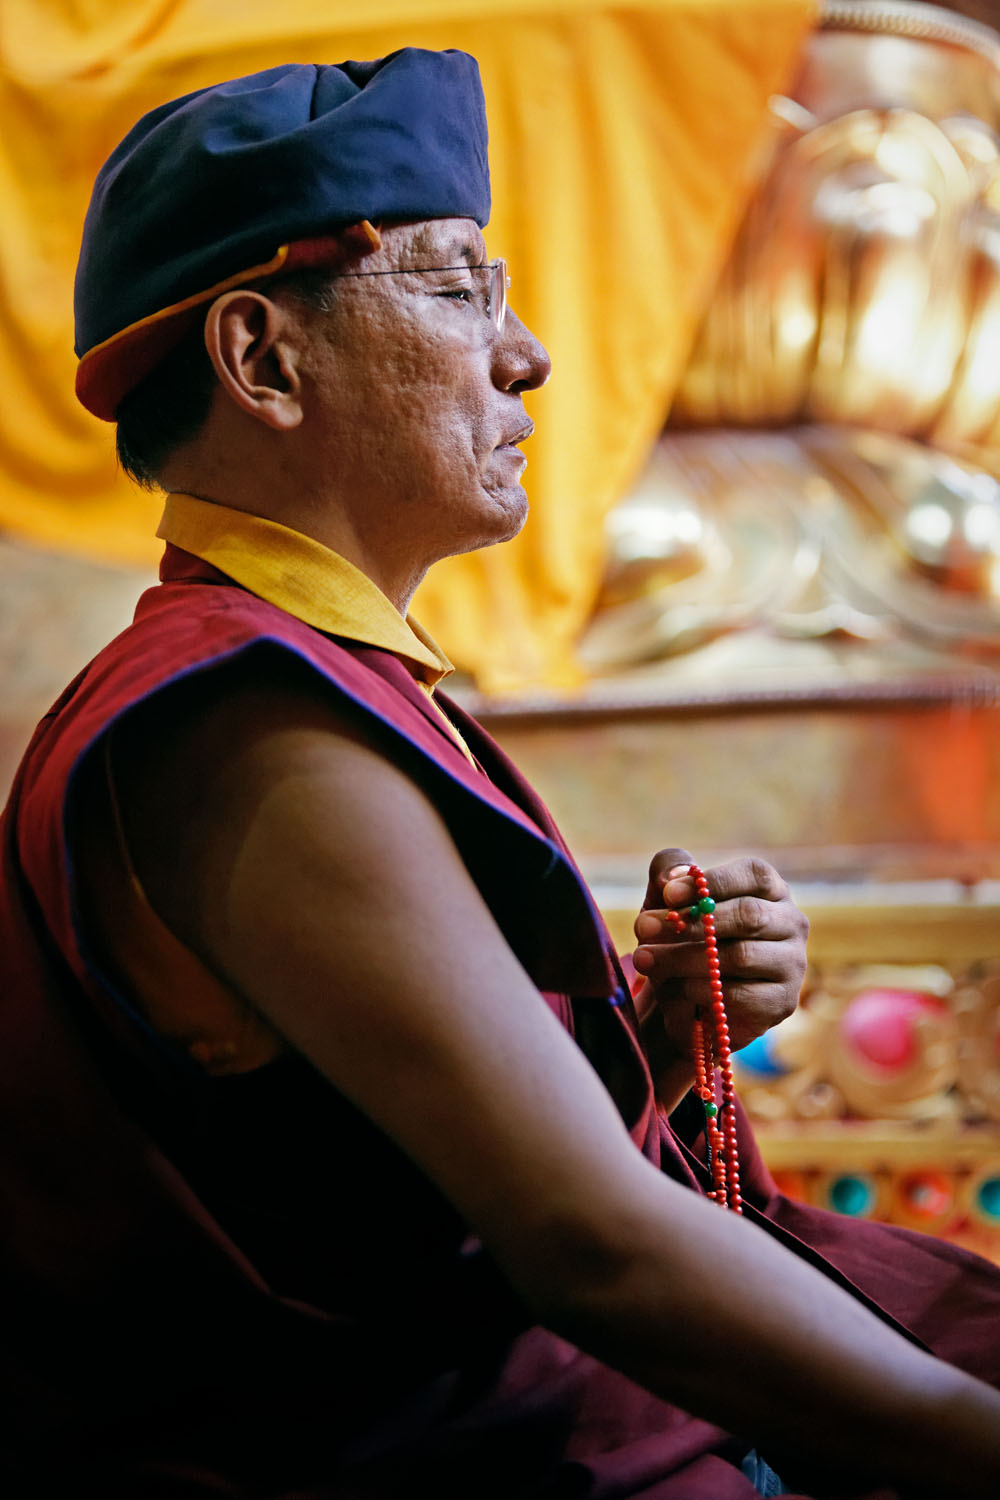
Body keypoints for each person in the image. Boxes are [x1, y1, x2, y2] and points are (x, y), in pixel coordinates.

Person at [1, 48, 999, 1500]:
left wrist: (650, 1048)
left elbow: (379, 1196)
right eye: (462, 289)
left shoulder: (334, 683)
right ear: (264, 359)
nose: (527, 356)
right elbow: (584, 1245)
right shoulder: (243, 729)